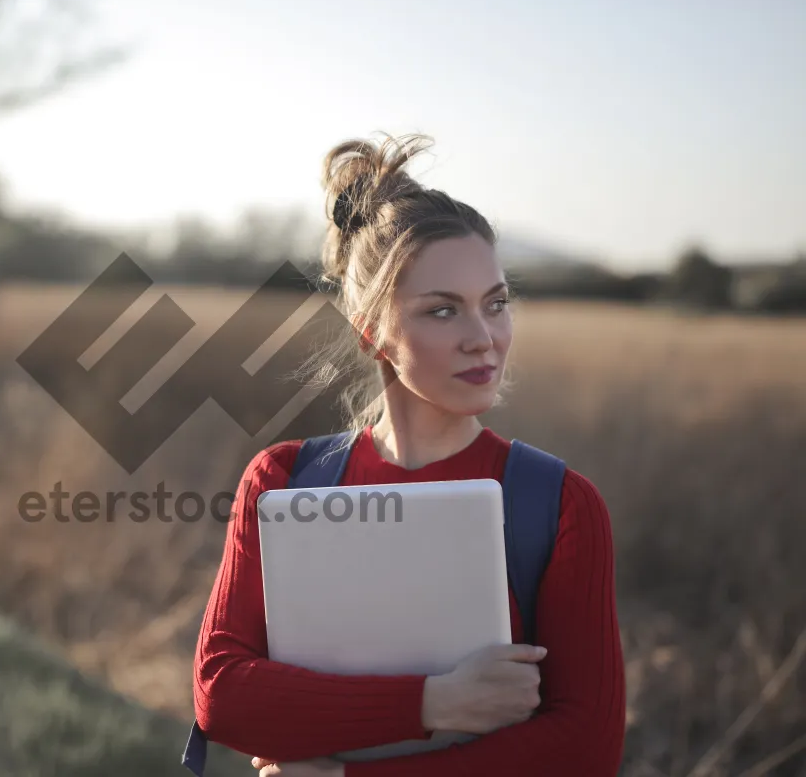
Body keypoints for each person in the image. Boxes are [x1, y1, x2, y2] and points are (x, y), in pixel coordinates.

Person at [191, 133, 626, 776]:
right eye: (443, 311)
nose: (485, 339)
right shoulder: (285, 482)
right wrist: (434, 701)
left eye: (496, 304)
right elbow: (222, 697)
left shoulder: (559, 505)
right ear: (373, 334)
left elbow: (584, 748)